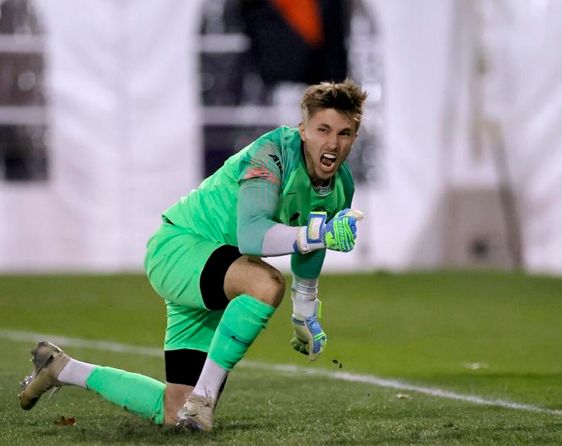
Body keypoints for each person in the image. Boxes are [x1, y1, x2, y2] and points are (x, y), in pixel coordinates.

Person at [18, 79, 368, 432]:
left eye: (344, 133)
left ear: (355, 136)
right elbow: (253, 235)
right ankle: (204, 399)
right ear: (303, 130)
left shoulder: (342, 184)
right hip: (180, 247)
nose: (333, 143)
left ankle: (60, 368)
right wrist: (319, 234)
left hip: (217, 269)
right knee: (265, 283)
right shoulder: (273, 154)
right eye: (323, 129)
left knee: (175, 414)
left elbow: (310, 240)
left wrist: (305, 307)